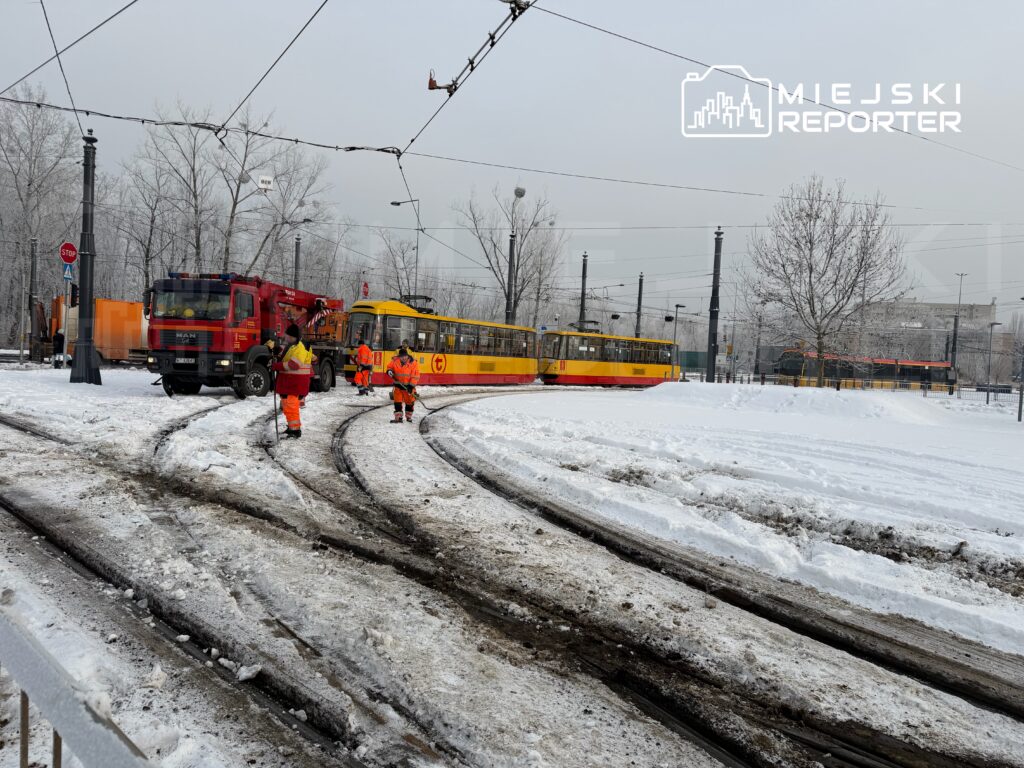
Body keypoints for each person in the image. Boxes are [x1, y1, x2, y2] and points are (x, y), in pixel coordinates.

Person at [271, 323, 313, 438]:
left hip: (296, 383)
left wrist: (276, 366)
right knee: (287, 405)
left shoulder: (300, 347)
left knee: (291, 405)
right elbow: (284, 354)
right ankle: (291, 428)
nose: (286, 337)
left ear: (293, 336)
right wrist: (275, 350)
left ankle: (295, 430)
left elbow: (294, 364)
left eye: (288, 335)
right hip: (289, 382)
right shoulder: (292, 346)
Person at [386, 347, 420, 423]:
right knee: (397, 402)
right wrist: (389, 371)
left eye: (405, 356)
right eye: (401, 356)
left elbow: (415, 376)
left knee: (409, 402)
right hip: (398, 386)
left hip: (408, 387)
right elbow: (389, 367)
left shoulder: (413, 363)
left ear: (407, 356)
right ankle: (398, 418)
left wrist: (411, 386)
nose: (403, 358)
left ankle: (408, 417)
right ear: (399, 357)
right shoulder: (395, 361)